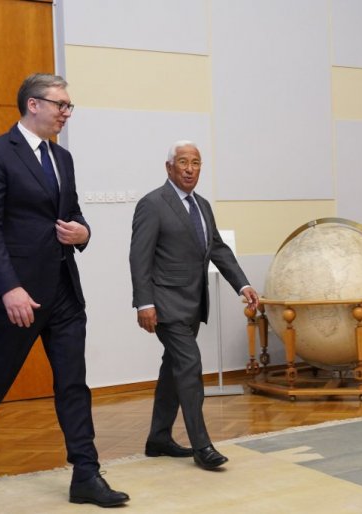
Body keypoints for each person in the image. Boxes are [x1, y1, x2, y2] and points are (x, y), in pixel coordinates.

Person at [0, 73, 129, 508]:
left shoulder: (62, 158)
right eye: (60, 105)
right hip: (18, 295)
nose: (66, 113)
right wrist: (9, 287)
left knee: (73, 383)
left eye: (69, 106)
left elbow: (73, 213)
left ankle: (86, 474)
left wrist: (83, 232)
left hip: (64, 289)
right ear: (33, 104)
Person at [129, 140, 259, 470]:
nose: (190, 169)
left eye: (196, 163)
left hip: (193, 303)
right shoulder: (152, 204)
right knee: (189, 366)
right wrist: (144, 303)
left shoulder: (202, 205)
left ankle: (158, 438)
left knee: (172, 370)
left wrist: (242, 284)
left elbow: (217, 249)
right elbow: (139, 258)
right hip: (166, 304)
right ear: (169, 167)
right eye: (183, 162)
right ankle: (202, 446)